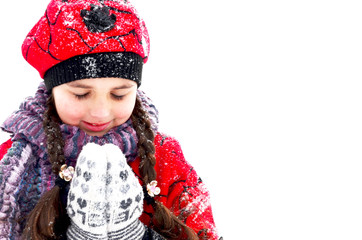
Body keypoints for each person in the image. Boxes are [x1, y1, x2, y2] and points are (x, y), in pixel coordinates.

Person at [0, 0, 220, 239]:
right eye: (81, 94)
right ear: (52, 90)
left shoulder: (165, 159)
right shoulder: (12, 164)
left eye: (119, 94)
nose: (101, 112)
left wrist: (136, 235)